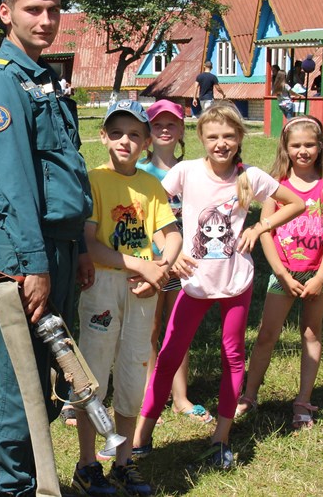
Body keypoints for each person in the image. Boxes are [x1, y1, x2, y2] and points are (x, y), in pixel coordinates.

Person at [0, 0, 93, 497]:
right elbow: (12, 182)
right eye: (33, 9)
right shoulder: (2, 80)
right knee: (22, 380)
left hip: (58, 245)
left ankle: (35, 480)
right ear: (6, 13)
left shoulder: (44, 78)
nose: (46, 20)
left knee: (48, 366)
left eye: (54, 10)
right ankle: (12, 488)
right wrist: (34, 264)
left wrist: (78, 246)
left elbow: (66, 169)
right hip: (26, 253)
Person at [133, 101, 304, 469]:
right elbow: (149, 209)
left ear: (239, 137)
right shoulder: (186, 171)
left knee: (232, 356)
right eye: (213, 137)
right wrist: (169, 251)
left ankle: (221, 438)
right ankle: (141, 436)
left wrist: (260, 227)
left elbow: (295, 203)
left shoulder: (250, 177)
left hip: (235, 282)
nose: (221, 143)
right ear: (201, 138)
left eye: (228, 136)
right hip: (194, 282)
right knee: (169, 355)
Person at [71, 100, 182, 497]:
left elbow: (171, 234)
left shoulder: (151, 185)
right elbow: (89, 244)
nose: (125, 141)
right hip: (102, 285)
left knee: (134, 372)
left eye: (135, 134)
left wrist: (161, 269)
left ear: (147, 142)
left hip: (142, 288)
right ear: (103, 136)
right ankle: (87, 464)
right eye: (116, 133)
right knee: (94, 372)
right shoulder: (93, 180)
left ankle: (123, 462)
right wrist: (142, 265)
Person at [235, 116, 323, 429]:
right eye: (296, 145)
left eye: (309, 144)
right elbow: (264, 231)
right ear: (285, 148)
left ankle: (303, 400)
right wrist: (281, 274)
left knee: (311, 333)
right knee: (267, 335)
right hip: (284, 274)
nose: (303, 151)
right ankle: (250, 395)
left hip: (317, 273)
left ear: (320, 146)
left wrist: (321, 276)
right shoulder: (276, 185)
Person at [135, 99, 210, 425]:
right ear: (148, 132)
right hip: (150, 261)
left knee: (179, 330)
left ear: (181, 131)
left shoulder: (194, 170)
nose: (164, 130)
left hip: (186, 264)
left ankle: (180, 397)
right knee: (149, 330)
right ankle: (149, 394)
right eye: (157, 124)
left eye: (171, 124)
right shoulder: (138, 172)